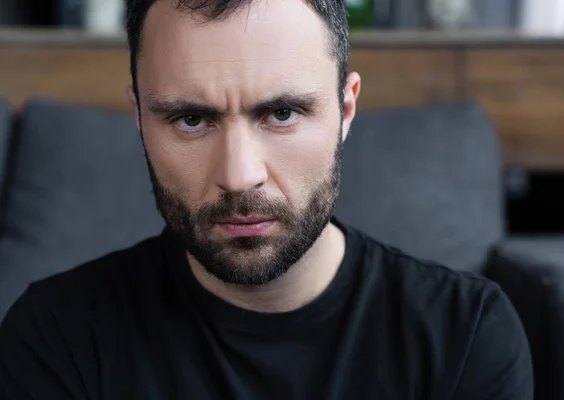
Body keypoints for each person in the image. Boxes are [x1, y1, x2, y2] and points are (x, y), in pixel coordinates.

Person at [0, 0, 533, 398]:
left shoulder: (465, 336)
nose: (239, 176)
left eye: (281, 114)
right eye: (191, 119)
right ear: (140, 119)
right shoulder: (55, 337)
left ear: (346, 110)